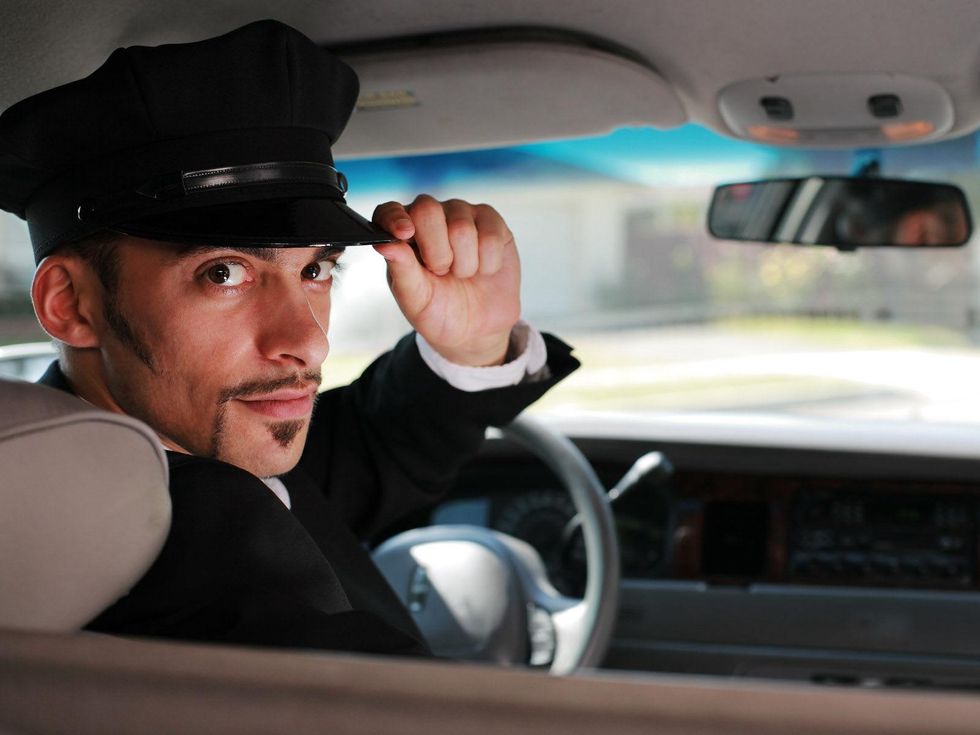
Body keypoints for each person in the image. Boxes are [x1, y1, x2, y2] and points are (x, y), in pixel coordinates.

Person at [0, 20, 578, 657]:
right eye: (224, 273)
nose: (310, 342)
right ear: (71, 303)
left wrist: (472, 345)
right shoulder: (193, 575)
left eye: (316, 270)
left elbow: (370, 450)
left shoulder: (174, 448)